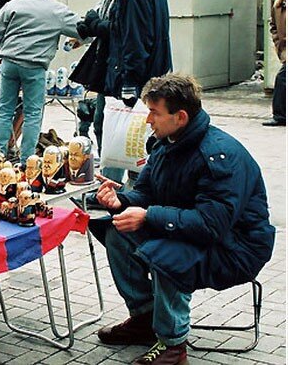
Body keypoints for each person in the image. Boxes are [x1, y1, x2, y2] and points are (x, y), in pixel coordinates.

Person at [92, 73, 275, 365]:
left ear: (180, 116)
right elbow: (146, 193)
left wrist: (149, 215)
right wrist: (122, 200)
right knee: (116, 230)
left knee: (167, 256)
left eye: (154, 113)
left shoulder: (219, 155)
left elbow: (211, 225)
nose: (148, 121)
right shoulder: (167, 142)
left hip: (236, 247)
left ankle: (173, 346)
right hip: (191, 231)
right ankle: (144, 317)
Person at [77, 0, 172, 183]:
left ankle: (124, 188)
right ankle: (115, 184)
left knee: (121, 132)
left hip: (133, 76)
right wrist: (98, 25)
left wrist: (130, 81)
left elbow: (135, 36)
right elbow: (125, 27)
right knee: (119, 132)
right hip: (137, 72)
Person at [0, 0, 80, 163]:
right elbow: (83, 30)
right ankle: (27, 161)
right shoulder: (58, 9)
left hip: (9, 62)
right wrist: (77, 42)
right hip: (34, 66)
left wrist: (6, 44)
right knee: (32, 113)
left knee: (4, 110)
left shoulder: (13, 4)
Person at [263, 0, 286, 127]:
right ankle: (280, 115)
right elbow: (273, 27)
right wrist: (278, 43)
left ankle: (280, 115)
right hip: (285, 50)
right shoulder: (277, 6)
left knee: (282, 79)